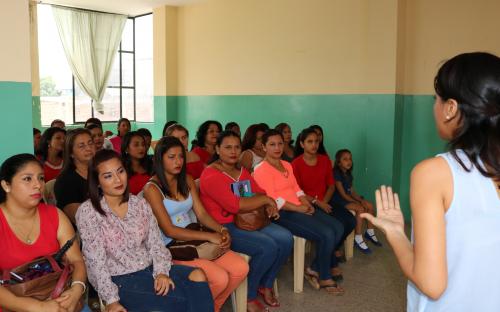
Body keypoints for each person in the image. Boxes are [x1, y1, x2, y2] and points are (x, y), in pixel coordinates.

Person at [363, 52, 500, 311]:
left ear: (451, 108)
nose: (434, 107)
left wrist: (395, 233)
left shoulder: (435, 173)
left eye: (435, 99)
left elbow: (431, 284)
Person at [76, 149, 214, 312]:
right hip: (119, 278)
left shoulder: (139, 204)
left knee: (198, 276)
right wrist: (111, 300)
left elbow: (156, 243)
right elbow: (95, 262)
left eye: (120, 171)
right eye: (108, 176)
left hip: (150, 268)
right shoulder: (88, 212)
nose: (118, 179)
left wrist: (161, 272)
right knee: (183, 298)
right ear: (97, 182)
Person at [143, 136, 249, 312]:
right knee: (220, 279)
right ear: (159, 159)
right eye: (171, 157)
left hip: (194, 237)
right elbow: (169, 230)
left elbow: (201, 214)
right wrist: (209, 235)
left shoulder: (187, 179)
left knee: (241, 268)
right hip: (171, 246)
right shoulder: (152, 189)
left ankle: (211, 307)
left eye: (181, 156)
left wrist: (221, 230)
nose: (178, 161)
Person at [199, 131, 293, 311]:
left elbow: (259, 191)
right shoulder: (211, 175)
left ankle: (265, 284)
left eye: (237, 147)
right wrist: (266, 201)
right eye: (227, 147)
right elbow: (235, 205)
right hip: (223, 227)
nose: (233, 151)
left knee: (285, 238)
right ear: (217, 149)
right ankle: (249, 297)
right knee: (267, 246)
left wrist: (264, 200)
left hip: (249, 220)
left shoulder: (241, 171)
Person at [253, 129, 345, 294]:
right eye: (272, 144)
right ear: (264, 147)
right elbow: (273, 199)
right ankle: (324, 276)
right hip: (282, 213)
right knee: (327, 233)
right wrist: (299, 208)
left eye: (280, 143)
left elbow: (296, 189)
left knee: (338, 227)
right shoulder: (261, 169)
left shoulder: (287, 165)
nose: (277, 147)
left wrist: (306, 204)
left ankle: (314, 268)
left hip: (299, 207)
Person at [0, 154, 87, 312]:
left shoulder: (55, 215)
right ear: (6, 185)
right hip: (12, 305)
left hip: (59, 297)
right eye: (27, 179)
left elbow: (77, 261)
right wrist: (38, 307)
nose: (38, 185)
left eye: (40, 178)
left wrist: (76, 290)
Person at [292, 127, 356, 262]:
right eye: (310, 141)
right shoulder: (295, 164)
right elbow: (297, 191)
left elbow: (331, 186)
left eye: (316, 141)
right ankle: (326, 261)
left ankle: (331, 250)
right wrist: (318, 203)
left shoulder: (324, 160)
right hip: (308, 204)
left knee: (350, 220)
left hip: (326, 201)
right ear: (302, 144)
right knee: (333, 227)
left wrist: (324, 202)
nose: (314, 144)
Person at [331, 149, 380, 254]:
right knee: (360, 208)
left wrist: (361, 200)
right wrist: (358, 203)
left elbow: (352, 191)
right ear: (338, 162)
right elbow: (343, 194)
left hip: (347, 198)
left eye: (350, 159)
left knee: (370, 205)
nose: (349, 161)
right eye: (345, 159)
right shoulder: (336, 173)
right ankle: (358, 237)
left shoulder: (348, 174)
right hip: (338, 200)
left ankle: (370, 232)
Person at [54, 128, 95, 224]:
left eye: (90, 143)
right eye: (82, 146)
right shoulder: (65, 181)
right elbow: (79, 218)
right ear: (71, 153)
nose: (89, 148)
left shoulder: (102, 172)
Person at [121, 131, 153, 195]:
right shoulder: (121, 170)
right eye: (136, 145)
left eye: (143, 144)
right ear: (127, 149)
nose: (141, 148)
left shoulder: (151, 165)